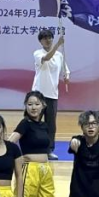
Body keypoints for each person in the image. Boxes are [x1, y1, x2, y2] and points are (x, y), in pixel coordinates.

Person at [10, 91, 62, 197]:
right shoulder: (25, 124)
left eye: (37, 104)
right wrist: (19, 159)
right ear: (25, 106)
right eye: (30, 104)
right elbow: (10, 142)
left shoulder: (45, 125)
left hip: (45, 171)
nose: (33, 107)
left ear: (43, 106)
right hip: (29, 171)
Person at [32, 29, 70, 160]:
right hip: (38, 95)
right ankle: (32, 148)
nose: (47, 40)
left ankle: (48, 150)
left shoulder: (59, 55)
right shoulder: (38, 53)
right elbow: (47, 58)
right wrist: (58, 44)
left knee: (51, 125)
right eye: (44, 38)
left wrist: (67, 77)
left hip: (52, 95)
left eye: (49, 37)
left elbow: (65, 70)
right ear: (40, 41)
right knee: (34, 123)